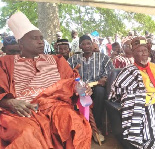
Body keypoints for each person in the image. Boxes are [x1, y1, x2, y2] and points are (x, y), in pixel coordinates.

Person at [0, 11, 92, 148]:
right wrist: (10, 102)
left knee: (75, 123)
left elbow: (72, 82)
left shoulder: (57, 60)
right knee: (28, 134)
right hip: (22, 110)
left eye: (41, 38)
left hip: (56, 106)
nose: (40, 41)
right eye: (34, 38)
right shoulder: (6, 62)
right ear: (21, 43)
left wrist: (81, 88)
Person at [68, 35, 114, 142]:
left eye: (89, 43)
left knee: (100, 91)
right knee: (72, 94)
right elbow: (66, 71)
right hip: (79, 88)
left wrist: (104, 78)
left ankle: (96, 128)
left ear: (92, 44)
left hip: (97, 87)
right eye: (84, 44)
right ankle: (80, 128)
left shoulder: (103, 58)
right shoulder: (74, 59)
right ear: (80, 46)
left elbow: (110, 72)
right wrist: (74, 76)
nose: (87, 46)